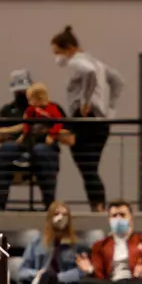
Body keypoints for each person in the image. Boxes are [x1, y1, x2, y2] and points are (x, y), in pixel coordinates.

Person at [50, 25, 123, 208]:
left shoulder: (77, 62)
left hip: (85, 120)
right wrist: (110, 109)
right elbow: (118, 81)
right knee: (90, 168)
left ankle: (98, 206)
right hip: (101, 121)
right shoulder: (98, 62)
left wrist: (85, 101)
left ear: (69, 48)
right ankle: (97, 205)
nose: (57, 57)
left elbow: (89, 73)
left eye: (58, 52)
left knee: (87, 167)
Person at [0, 81, 67, 210]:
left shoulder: (53, 108)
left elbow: (67, 134)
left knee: (41, 151)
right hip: (24, 143)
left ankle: (49, 204)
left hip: (45, 146)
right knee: (6, 149)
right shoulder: (13, 109)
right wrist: (21, 130)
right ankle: (0, 204)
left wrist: (50, 133)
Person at [82, 200, 142, 284]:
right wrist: (90, 269)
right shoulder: (99, 246)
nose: (118, 219)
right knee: (84, 282)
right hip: (110, 283)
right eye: (114, 216)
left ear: (131, 218)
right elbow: (99, 274)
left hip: (135, 282)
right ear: (109, 220)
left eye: (122, 215)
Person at [18, 201, 85, 284]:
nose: (60, 218)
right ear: (50, 217)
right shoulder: (36, 242)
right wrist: (39, 275)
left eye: (64, 215)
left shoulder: (76, 245)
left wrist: (58, 278)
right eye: (56, 214)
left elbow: (81, 271)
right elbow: (22, 271)